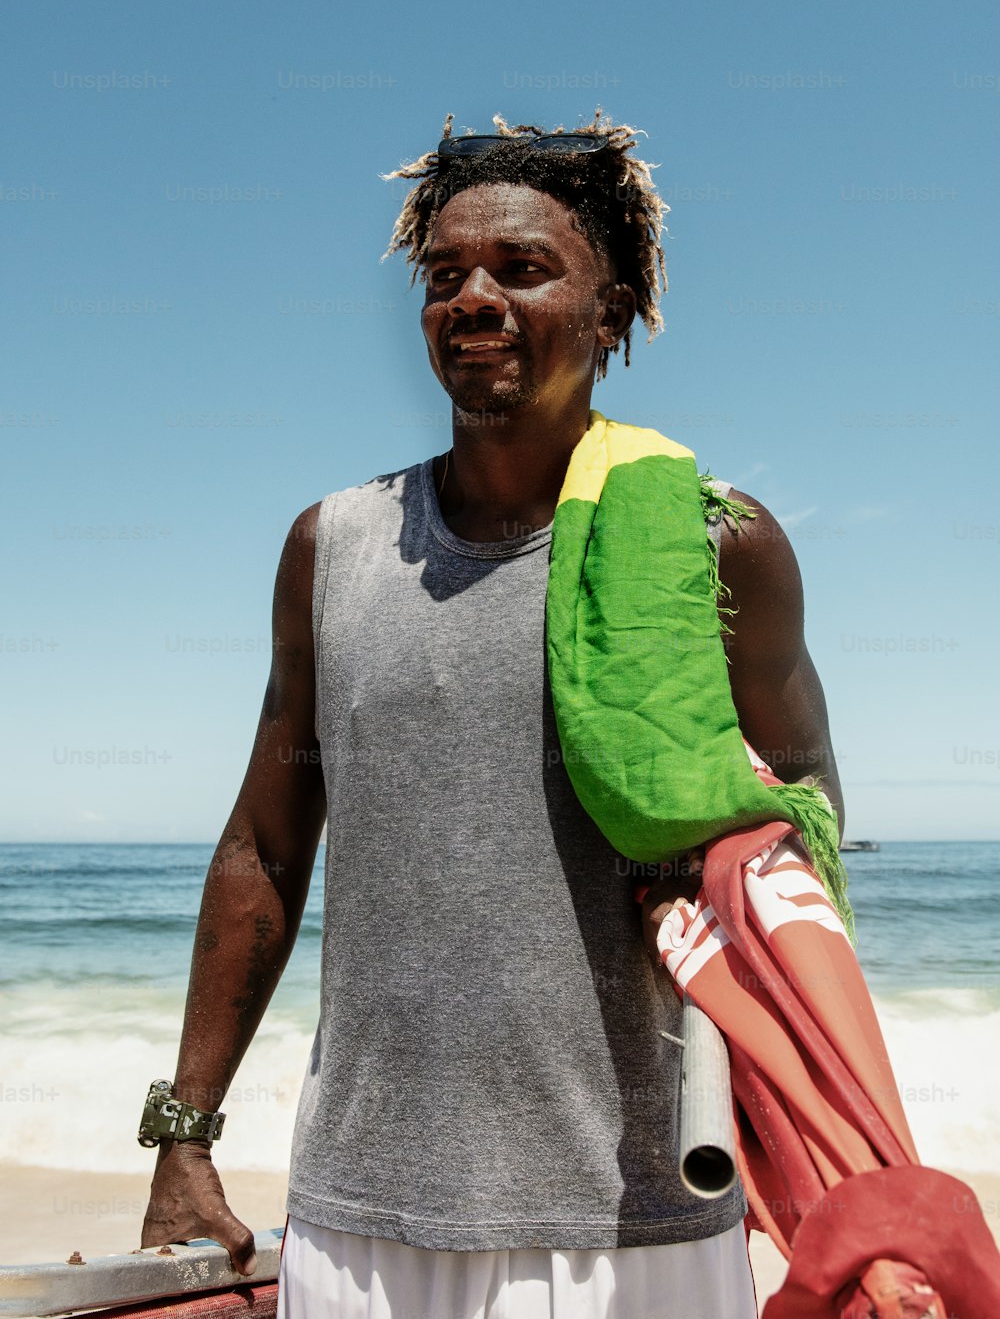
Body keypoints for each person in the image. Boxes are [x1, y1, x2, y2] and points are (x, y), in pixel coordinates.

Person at [140, 114, 845, 1319]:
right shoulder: (333, 548)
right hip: (363, 1213)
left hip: (639, 1218)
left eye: (520, 270)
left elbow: (802, 848)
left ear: (611, 312)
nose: (472, 297)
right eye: (444, 276)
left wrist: (815, 1141)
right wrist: (183, 1135)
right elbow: (265, 842)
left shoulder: (713, 548)